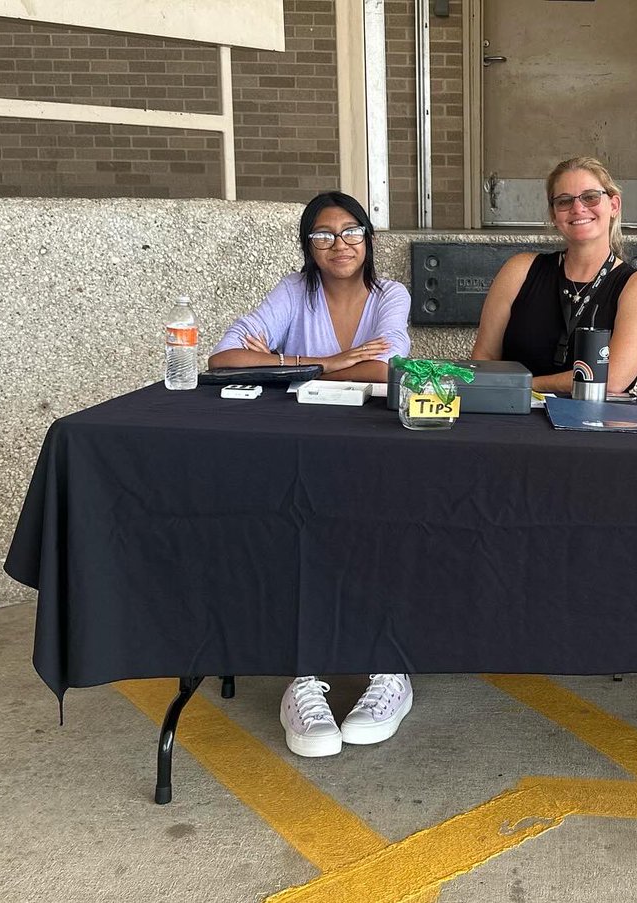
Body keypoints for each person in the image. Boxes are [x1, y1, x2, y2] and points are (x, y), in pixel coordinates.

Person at [209, 191, 413, 758]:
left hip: (376, 448)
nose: (338, 244)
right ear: (308, 246)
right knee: (298, 539)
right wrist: (331, 363)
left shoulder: (390, 294)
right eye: (322, 235)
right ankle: (303, 675)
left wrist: (284, 365)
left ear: (368, 238)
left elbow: (386, 366)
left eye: (351, 231)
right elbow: (223, 358)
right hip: (300, 449)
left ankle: (388, 668)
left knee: (379, 541)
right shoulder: (293, 292)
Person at [471, 156, 637, 393]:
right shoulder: (519, 270)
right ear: (553, 215)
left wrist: (522, 386)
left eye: (590, 197)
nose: (578, 208)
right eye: (564, 201)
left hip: (595, 423)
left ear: (613, 205)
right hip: (514, 418)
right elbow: (484, 357)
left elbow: (612, 379)